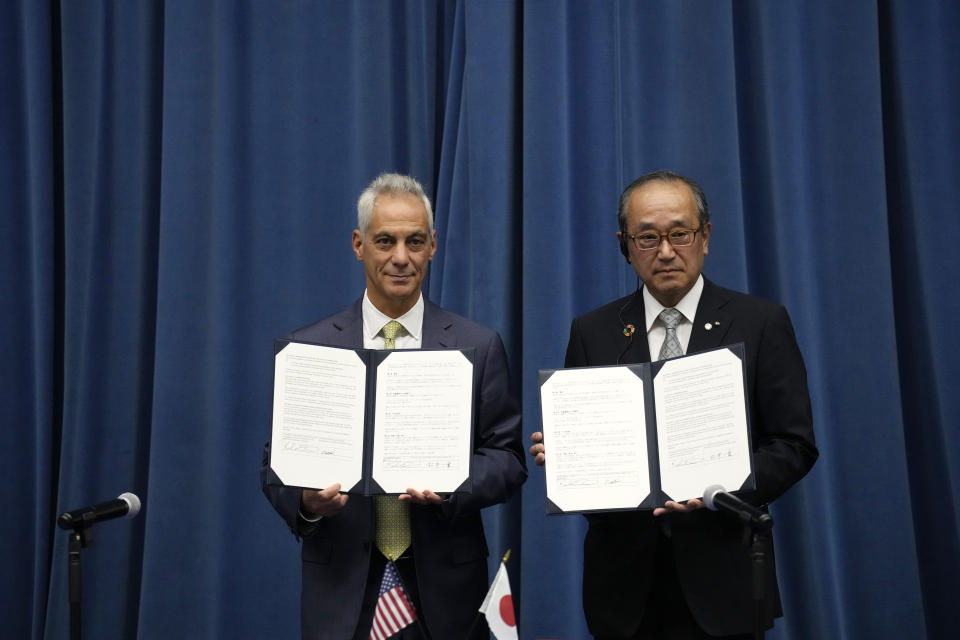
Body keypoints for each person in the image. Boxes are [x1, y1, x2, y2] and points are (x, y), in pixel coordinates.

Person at [529, 170, 818, 639]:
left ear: (705, 236)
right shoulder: (593, 331)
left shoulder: (759, 323)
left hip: (724, 578)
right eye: (647, 237)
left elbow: (793, 444)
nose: (665, 251)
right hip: (624, 590)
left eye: (679, 234)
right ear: (625, 245)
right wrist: (569, 461)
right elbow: (592, 466)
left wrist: (722, 487)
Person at [262, 173, 526, 639]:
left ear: (433, 246)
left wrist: (453, 486)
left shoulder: (477, 346)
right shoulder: (311, 349)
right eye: (385, 241)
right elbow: (275, 466)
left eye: (414, 241)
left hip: (445, 589)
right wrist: (307, 502)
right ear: (359, 244)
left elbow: (507, 458)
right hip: (342, 586)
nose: (401, 258)